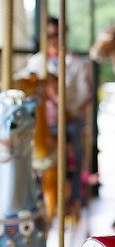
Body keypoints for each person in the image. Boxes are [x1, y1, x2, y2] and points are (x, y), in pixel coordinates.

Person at [25, 17, 93, 209]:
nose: (53, 39)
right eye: (49, 35)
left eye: (56, 34)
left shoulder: (75, 63)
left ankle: (75, 196)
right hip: (43, 120)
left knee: (76, 148)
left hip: (68, 116)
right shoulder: (36, 62)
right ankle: (33, 190)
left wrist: (71, 111)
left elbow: (84, 93)